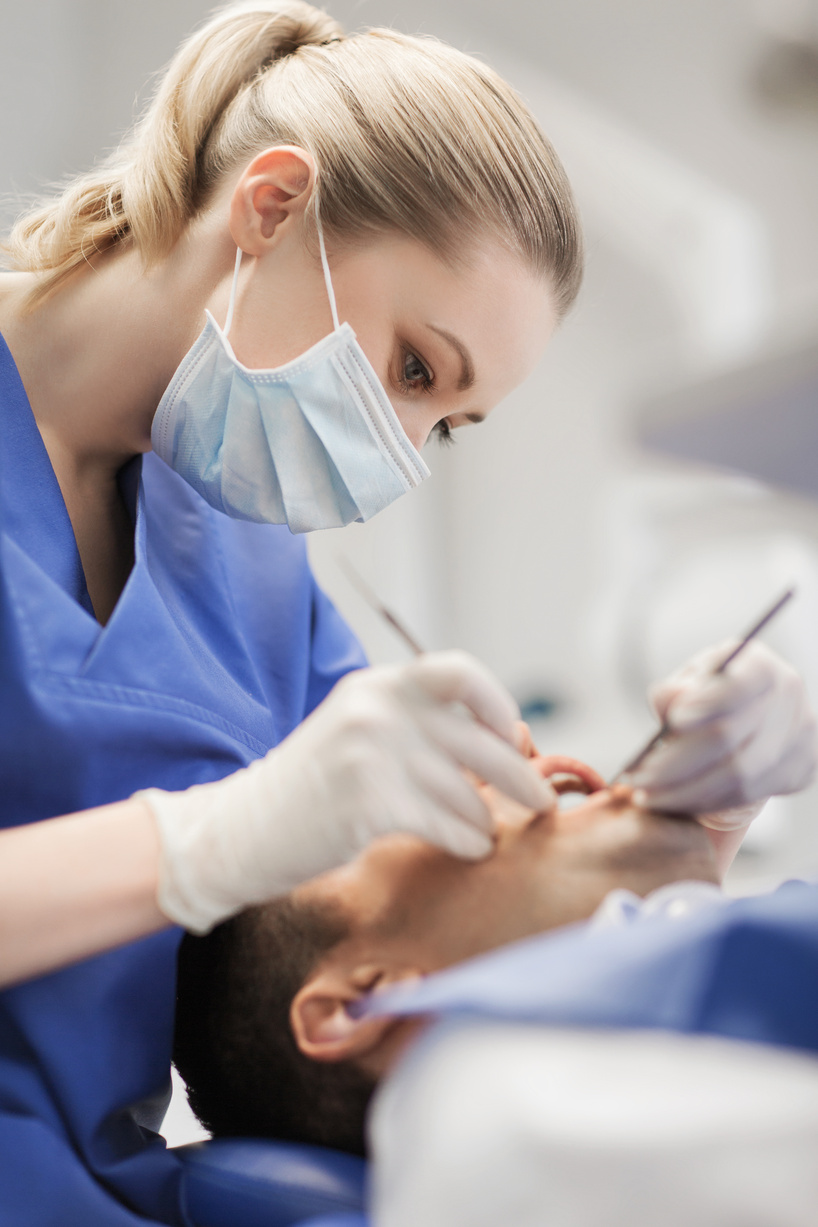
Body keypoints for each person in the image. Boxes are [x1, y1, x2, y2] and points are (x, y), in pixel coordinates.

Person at [0, 1, 814, 1222]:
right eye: (414, 369)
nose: (401, 448)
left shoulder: (249, 570)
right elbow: (291, 868)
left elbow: (373, 929)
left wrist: (695, 825)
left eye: (450, 422)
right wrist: (201, 845)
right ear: (270, 210)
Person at [173, 750, 818, 1226]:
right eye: (421, 802)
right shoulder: (496, 1100)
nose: (535, 775)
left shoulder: (664, 1011)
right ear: (355, 1004)